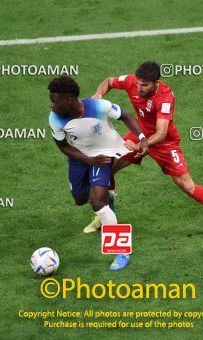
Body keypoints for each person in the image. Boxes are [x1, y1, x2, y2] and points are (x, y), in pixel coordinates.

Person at [87, 61, 203, 239]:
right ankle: (105, 216)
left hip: (164, 144)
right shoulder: (132, 81)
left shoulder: (165, 97)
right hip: (139, 134)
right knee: (107, 164)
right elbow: (108, 81)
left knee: (188, 186)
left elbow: (161, 133)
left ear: (157, 83)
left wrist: (139, 145)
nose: (139, 88)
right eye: (138, 84)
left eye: (144, 85)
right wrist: (99, 94)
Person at [48, 76, 148, 270]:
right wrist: (86, 160)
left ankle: (121, 251)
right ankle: (108, 197)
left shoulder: (99, 106)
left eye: (54, 101)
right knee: (79, 199)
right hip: (79, 158)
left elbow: (125, 115)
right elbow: (62, 145)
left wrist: (142, 138)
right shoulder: (55, 118)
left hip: (103, 155)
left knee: (96, 200)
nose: (51, 106)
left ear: (68, 100)